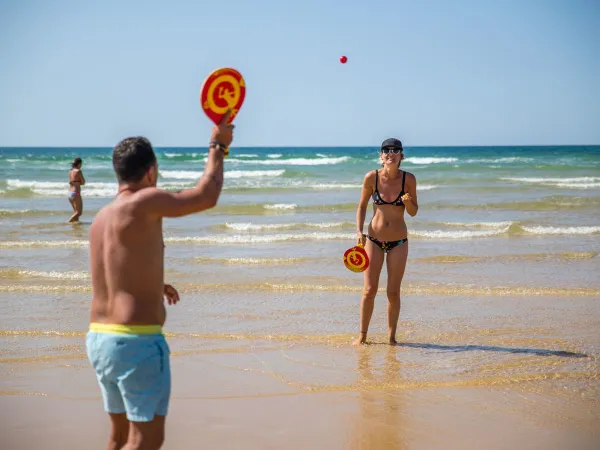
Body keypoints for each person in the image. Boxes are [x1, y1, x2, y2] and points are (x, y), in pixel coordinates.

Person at [86, 111, 234, 450]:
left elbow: (114, 272)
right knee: (146, 441)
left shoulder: (102, 218)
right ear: (151, 171)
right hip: (135, 343)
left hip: (100, 340)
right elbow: (206, 195)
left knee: (118, 437)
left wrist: (154, 285)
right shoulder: (145, 201)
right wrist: (218, 146)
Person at [353, 138, 418, 346]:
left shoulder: (408, 179)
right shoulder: (371, 177)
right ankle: (362, 337)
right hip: (373, 239)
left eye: (395, 150)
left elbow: (414, 212)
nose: (390, 153)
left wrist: (408, 202)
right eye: (386, 150)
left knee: (393, 291)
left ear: (401, 156)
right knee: (369, 290)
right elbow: (362, 205)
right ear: (381, 156)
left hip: (399, 242)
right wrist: (359, 231)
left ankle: (391, 338)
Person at [68, 157, 85, 222]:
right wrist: (79, 182)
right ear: (79, 164)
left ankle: (76, 227)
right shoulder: (78, 171)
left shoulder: (70, 172)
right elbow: (83, 182)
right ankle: (68, 223)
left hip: (70, 193)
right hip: (76, 193)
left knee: (76, 213)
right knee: (79, 213)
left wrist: (77, 182)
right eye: (81, 164)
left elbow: (71, 182)